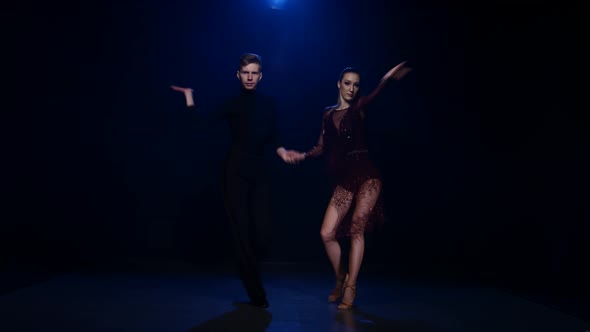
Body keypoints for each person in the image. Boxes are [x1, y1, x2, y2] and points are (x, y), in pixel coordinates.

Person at [279, 61, 411, 310]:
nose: (352, 88)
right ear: (339, 84)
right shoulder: (328, 114)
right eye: (347, 83)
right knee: (326, 233)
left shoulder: (359, 108)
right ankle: (340, 277)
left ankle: (351, 287)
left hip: (368, 176)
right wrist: (302, 155)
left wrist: (387, 78)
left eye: (356, 85)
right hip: (344, 179)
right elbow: (321, 147)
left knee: (356, 230)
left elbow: (374, 95)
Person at [171, 53, 297, 308]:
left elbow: (274, 137)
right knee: (241, 236)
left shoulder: (270, 104)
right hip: (235, 173)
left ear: (260, 76)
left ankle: (254, 277)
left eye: (254, 73)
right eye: (245, 73)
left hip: (259, 173)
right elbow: (201, 125)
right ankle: (257, 296)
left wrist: (283, 152)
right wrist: (189, 97)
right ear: (238, 75)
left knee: (262, 234)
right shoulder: (232, 103)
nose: (249, 77)